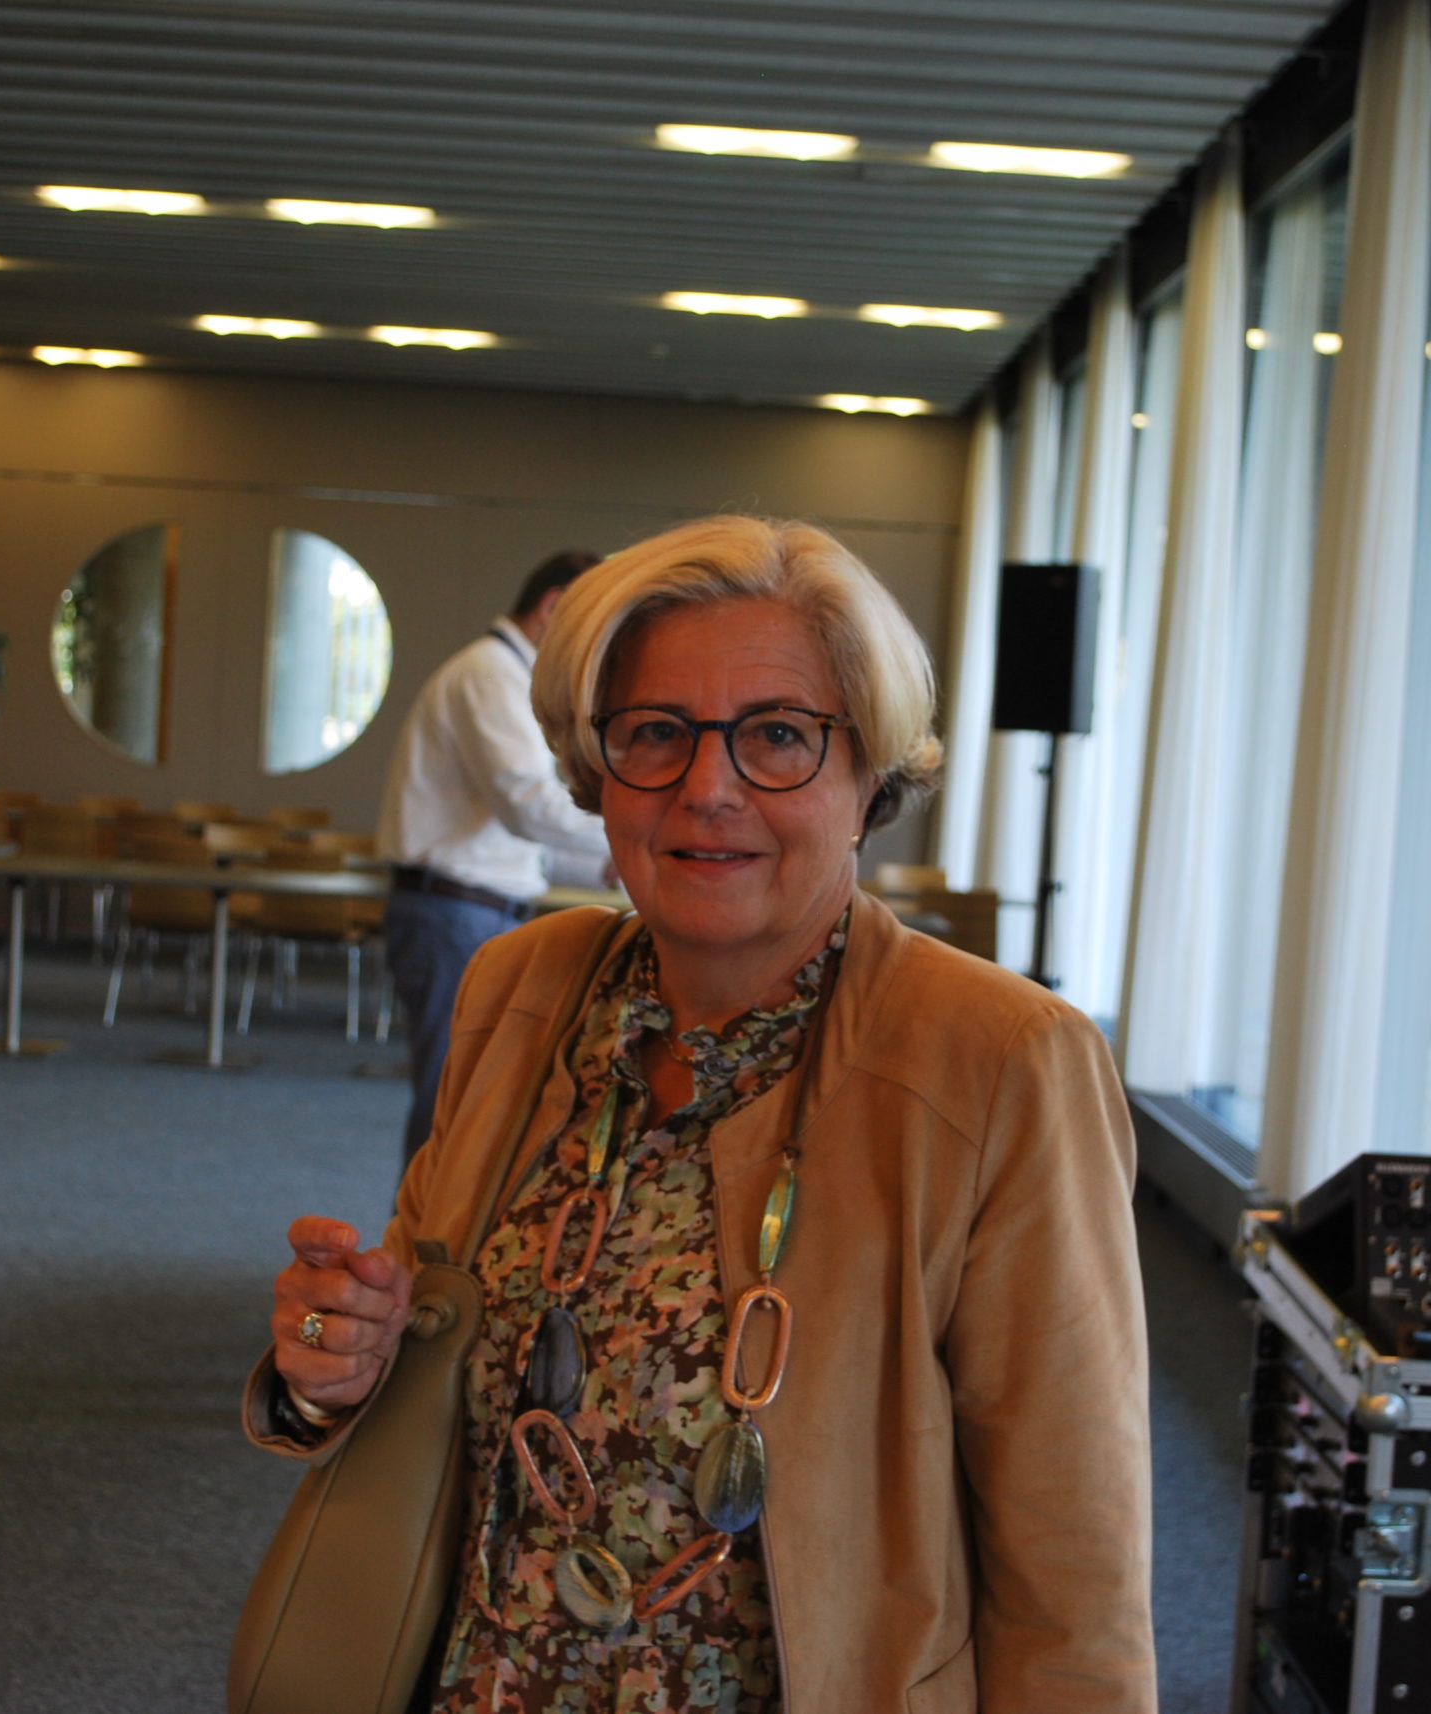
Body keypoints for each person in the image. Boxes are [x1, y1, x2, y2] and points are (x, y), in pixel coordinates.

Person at [258, 516, 1156, 1711]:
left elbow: (1074, 1571)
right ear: (597, 771)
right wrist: (339, 1356)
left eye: (777, 734)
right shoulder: (520, 992)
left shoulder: (1002, 1062)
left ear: (869, 774)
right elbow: (429, 1375)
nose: (707, 787)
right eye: (656, 733)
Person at [377, 548, 614, 1161]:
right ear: (553, 608)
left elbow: (517, 837)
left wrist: (606, 863)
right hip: (453, 914)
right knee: (453, 1100)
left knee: (471, 1098)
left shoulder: (507, 676)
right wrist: (631, 832)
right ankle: (420, 1227)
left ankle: (436, 1223)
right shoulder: (489, 675)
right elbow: (526, 806)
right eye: (591, 625)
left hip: (471, 909)